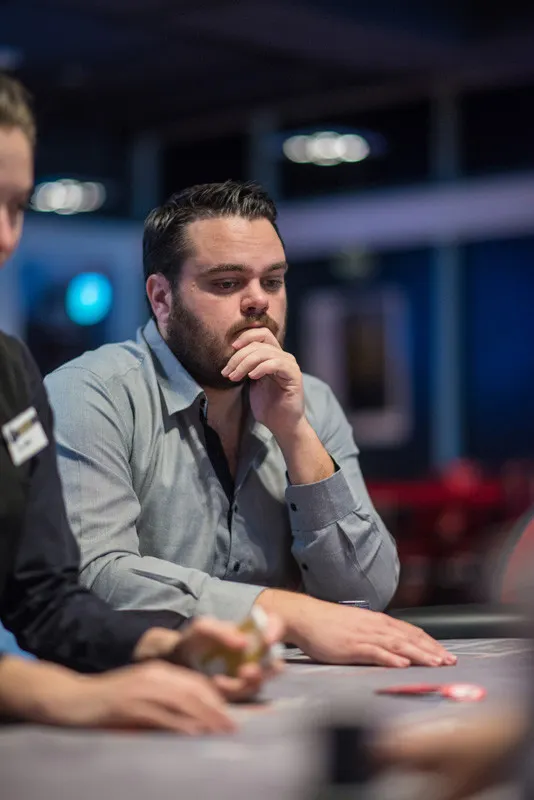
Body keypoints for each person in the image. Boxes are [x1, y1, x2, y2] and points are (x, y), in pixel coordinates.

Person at [46, 180, 456, 669]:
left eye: (273, 281)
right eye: (227, 283)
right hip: (131, 693)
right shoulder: (89, 393)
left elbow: (366, 594)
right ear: (161, 298)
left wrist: (295, 434)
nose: (258, 301)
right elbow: (93, 577)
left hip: (279, 690)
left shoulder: (312, 403)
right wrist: (284, 612)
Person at [0, 74, 282, 730]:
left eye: (14, 206)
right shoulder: (88, 389)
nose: (6, 237)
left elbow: (43, 599)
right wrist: (48, 693)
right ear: (161, 297)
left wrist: (166, 645)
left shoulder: (10, 373)